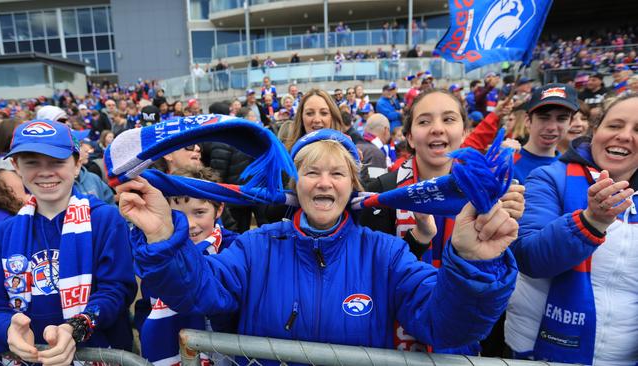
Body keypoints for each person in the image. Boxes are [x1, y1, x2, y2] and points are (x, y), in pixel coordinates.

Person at [118, 128, 518, 362]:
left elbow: (446, 325)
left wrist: (471, 264)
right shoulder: (256, 248)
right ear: (296, 185)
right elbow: (196, 292)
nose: (324, 182)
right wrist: (161, 237)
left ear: (352, 186)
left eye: (337, 173)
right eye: (311, 172)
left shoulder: (385, 253)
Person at [360, 89, 525, 354]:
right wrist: (417, 239)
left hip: (463, 342)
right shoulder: (382, 193)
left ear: (464, 133)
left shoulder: (489, 194)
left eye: (448, 119)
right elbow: (372, 277)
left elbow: (497, 287)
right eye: (424, 121)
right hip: (391, 344)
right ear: (410, 137)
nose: (437, 129)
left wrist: (506, 226)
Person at [505, 93, 638, 365]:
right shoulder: (549, 177)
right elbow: (528, 257)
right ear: (595, 130)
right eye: (614, 125)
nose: (624, 136)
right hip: (540, 354)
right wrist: (591, 221)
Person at [0, 120, 136, 362]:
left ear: (77, 164)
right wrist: (7, 329)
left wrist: (77, 327)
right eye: (32, 162)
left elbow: (117, 290)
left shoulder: (105, 219)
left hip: (98, 353)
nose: (45, 172)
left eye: (57, 162)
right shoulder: (3, 233)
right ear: (16, 166)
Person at [139, 167, 238, 365]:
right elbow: (147, 301)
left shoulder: (235, 248)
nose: (190, 224)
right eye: (178, 215)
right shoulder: (158, 253)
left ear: (219, 209)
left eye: (199, 212)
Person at [513, 84, 579, 184]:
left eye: (561, 119)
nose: (551, 127)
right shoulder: (507, 161)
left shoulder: (573, 170)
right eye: (544, 118)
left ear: (570, 123)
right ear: (527, 120)